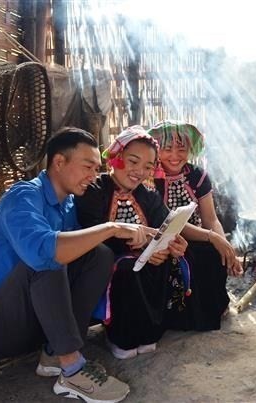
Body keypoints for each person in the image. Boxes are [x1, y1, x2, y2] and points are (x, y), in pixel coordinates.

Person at [0, 127, 152, 402]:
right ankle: (72, 369)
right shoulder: (23, 197)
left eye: (97, 168)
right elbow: (43, 252)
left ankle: (53, 354)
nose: (93, 176)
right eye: (87, 166)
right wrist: (110, 227)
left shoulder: (69, 205)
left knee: (99, 254)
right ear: (59, 162)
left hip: (35, 326)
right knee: (47, 260)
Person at [75, 126, 188, 360]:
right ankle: (121, 337)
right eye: (133, 162)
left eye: (147, 167)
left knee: (165, 263)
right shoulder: (95, 190)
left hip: (145, 255)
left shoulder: (148, 194)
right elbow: (92, 230)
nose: (139, 171)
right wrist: (135, 248)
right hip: (108, 260)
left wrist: (170, 246)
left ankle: (149, 333)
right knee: (128, 270)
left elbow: (163, 225)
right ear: (117, 157)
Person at [147, 120, 242, 332]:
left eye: (182, 149)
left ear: (190, 150)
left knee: (214, 254)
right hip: (162, 238)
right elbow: (168, 222)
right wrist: (213, 238)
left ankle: (214, 308)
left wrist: (225, 247)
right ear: (156, 149)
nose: (175, 155)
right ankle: (180, 319)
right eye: (167, 149)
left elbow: (210, 219)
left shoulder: (197, 176)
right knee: (186, 256)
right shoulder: (150, 177)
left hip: (199, 234)